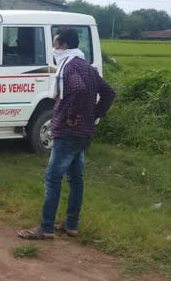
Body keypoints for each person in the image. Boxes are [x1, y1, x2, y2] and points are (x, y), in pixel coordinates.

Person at [18, 27, 116, 240]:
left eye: (54, 45)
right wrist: (93, 115)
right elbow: (109, 93)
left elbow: (78, 89)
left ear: (63, 46)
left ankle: (46, 228)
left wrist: (72, 115)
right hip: (84, 133)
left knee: (53, 178)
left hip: (68, 131)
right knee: (75, 178)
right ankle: (71, 224)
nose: (53, 49)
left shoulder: (68, 67)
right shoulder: (87, 67)